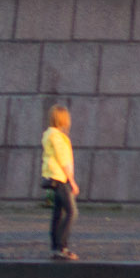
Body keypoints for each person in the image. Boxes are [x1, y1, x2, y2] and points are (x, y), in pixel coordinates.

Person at [42, 104, 78, 261]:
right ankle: (62, 247)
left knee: (58, 213)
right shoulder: (56, 137)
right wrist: (72, 181)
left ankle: (55, 248)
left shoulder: (48, 134)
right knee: (71, 212)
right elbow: (63, 160)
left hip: (52, 177)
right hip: (59, 177)